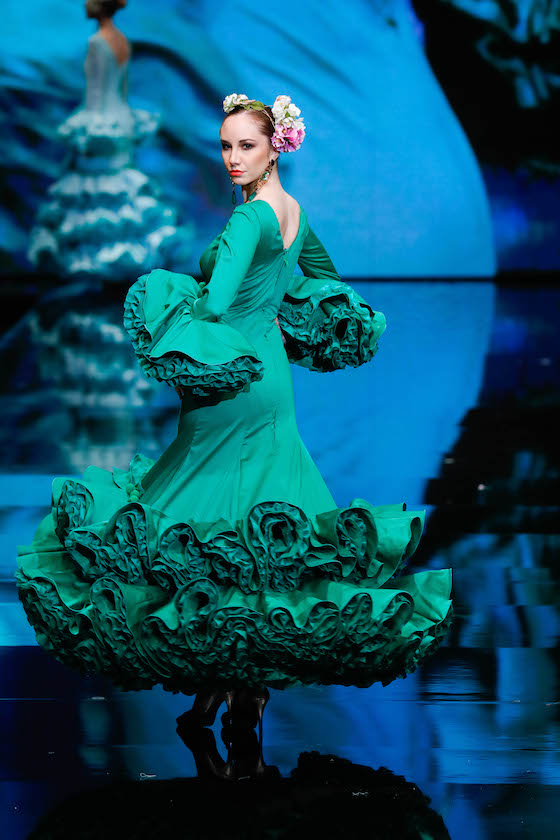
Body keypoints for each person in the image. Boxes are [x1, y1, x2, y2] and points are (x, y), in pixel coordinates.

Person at [16, 93, 452, 733]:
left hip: (230, 378)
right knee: (260, 522)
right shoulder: (292, 211)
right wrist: (274, 309)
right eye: (225, 145)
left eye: (245, 145)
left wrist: (175, 304)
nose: (231, 157)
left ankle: (223, 681)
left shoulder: (249, 219)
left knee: (203, 517)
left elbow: (216, 305)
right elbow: (325, 277)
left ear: (276, 147)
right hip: (268, 376)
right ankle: (241, 687)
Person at [28, 0, 190, 280]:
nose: (84, 4)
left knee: (94, 188)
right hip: (122, 118)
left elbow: (94, 92)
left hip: (100, 119)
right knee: (117, 185)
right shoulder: (121, 40)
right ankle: (122, 259)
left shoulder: (97, 41)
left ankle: (95, 263)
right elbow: (122, 88)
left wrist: (84, 125)